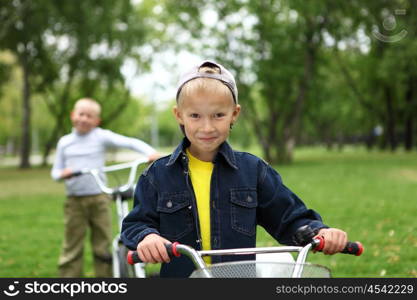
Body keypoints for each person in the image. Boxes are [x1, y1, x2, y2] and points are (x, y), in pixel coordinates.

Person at [121, 60, 348, 278]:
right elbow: (136, 223)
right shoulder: (157, 175)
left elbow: (290, 218)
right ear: (179, 115)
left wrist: (319, 232)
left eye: (218, 115)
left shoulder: (253, 171)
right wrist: (147, 237)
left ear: (234, 114)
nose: (207, 127)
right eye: (195, 116)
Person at [51, 97, 160, 277]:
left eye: (90, 116)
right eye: (81, 114)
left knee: (102, 245)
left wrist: (150, 153)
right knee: (72, 245)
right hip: (75, 201)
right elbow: (55, 173)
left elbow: (129, 142)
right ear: (73, 115)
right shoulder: (65, 142)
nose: (84, 119)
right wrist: (64, 173)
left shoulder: (100, 136)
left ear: (97, 121)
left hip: (99, 198)